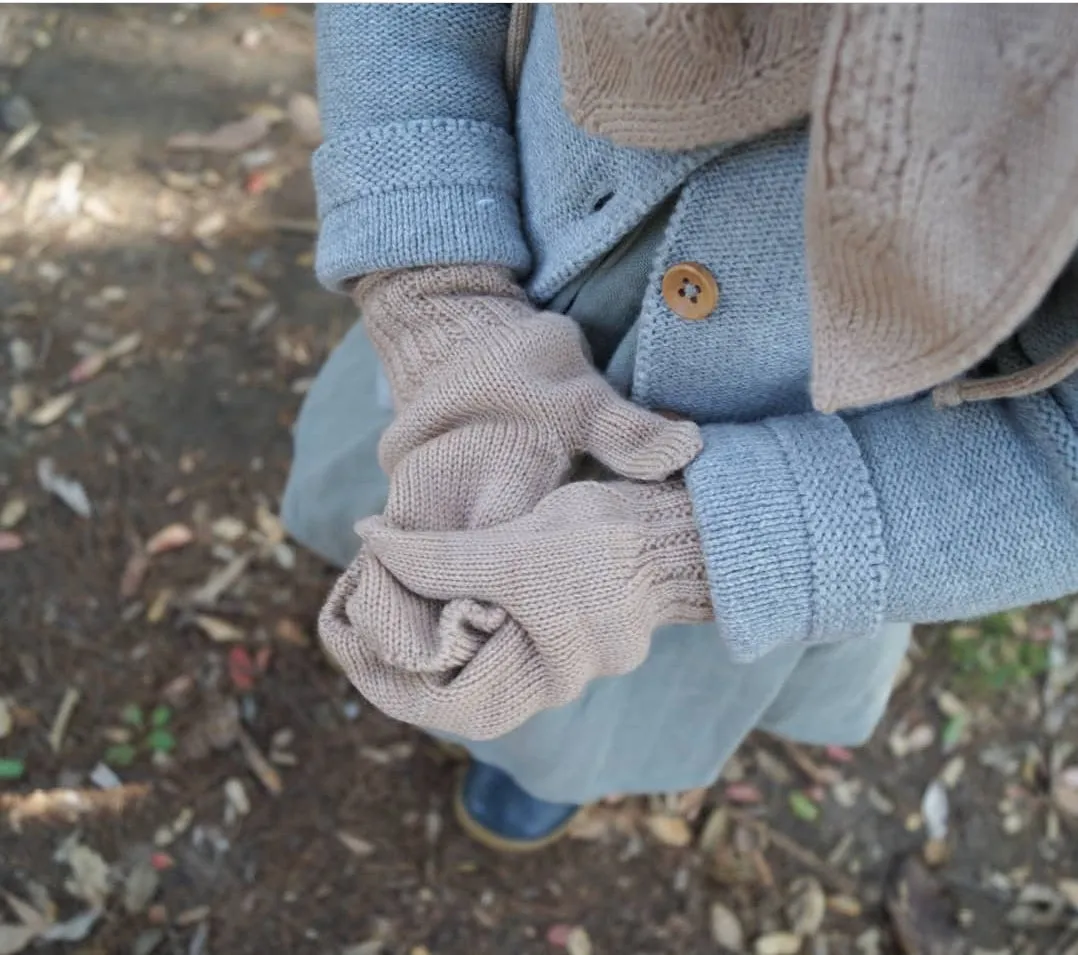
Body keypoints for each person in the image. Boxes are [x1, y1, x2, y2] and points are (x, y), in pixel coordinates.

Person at [282, 4, 1078, 852]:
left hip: (807, 467)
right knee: (418, 533)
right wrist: (440, 303)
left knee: (595, 710)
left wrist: (676, 552)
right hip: (497, 254)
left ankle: (544, 768)